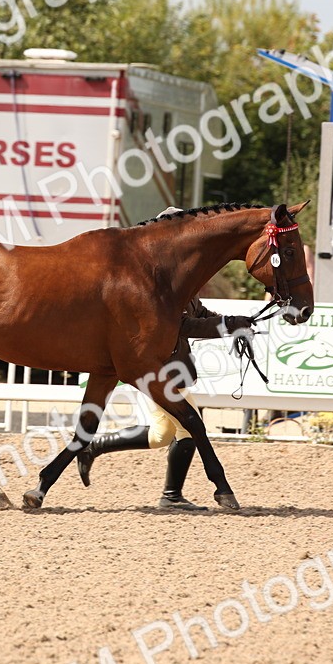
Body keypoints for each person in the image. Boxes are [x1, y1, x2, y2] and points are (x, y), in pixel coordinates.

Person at [75, 207, 257, 509]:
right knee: (184, 428)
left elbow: (199, 314)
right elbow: (185, 325)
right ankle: (170, 495)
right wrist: (228, 326)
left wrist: (235, 322)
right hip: (159, 368)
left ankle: (100, 450)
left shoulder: (177, 280)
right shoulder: (157, 284)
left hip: (174, 367)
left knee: (164, 433)